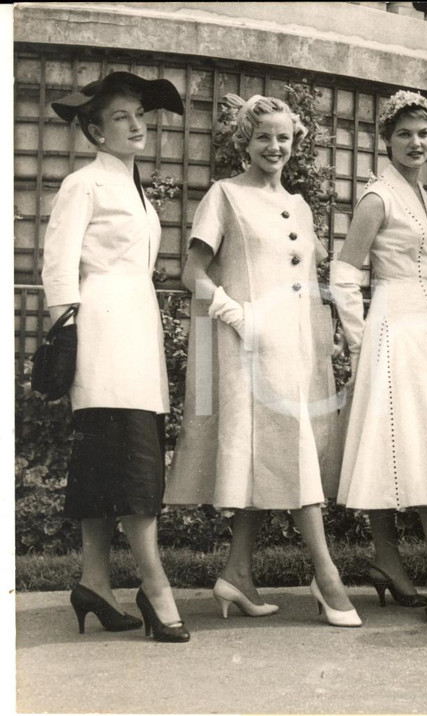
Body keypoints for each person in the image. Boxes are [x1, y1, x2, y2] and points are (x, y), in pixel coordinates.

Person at [164, 94, 360, 628]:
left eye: (283, 137)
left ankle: (237, 573)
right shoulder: (225, 195)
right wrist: (238, 315)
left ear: (294, 143)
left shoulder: (299, 205)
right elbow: (192, 273)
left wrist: (325, 335)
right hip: (248, 345)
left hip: (299, 348)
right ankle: (327, 576)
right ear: (245, 143)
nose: (274, 146)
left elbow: (305, 279)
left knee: (272, 453)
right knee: (291, 453)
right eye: (263, 137)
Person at [44, 72, 189, 642]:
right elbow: (58, 264)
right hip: (102, 331)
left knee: (108, 458)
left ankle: (95, 582)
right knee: (128, 458)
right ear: (95, 131)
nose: (136, 125)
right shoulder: (84, 184)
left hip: (137, 327)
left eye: (139, 115)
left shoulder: (135, 188)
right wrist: (66, 335)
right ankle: (156, 587)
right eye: (121, 117)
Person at [331, 90, 427, 626]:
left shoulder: (419, 194)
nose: (416, 143)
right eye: (404, 134)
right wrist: (361, 343)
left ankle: (395, 563)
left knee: (426, 443)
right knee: (396, 441)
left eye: (424, 133)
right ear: (387, 140)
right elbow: (344, 275)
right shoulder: (379, 197)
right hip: (394, 324)